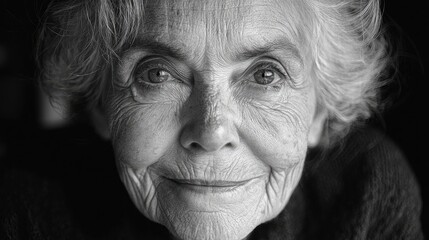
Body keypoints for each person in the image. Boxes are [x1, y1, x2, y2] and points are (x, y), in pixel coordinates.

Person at [0, 0, 423, 239]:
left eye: (265, 74)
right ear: (100, 105)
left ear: (319, 110)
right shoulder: (27, 210)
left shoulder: (368, 190)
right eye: (157, 74)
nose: (211, 131)